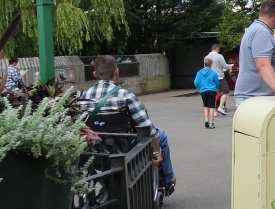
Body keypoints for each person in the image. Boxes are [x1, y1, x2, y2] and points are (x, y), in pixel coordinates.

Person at [79, 55, 176, 195]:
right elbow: (147, 127)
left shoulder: (82, 96)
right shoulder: (125, 95)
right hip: (123, 148)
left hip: (94, 151)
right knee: (161, 134)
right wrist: (156, 151)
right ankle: (169, 178)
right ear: (117, 72)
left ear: (95, 74)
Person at [234, 0, 275, 106]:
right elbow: (263, 65)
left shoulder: (257, 29)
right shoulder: (261, 32)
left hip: (258, 98)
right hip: (257, 99)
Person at [194, 57, 220, 128]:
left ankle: (206, 120)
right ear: (211, 64)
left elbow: (196, 82)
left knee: (205, 106)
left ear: (204, 64)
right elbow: (216, 82)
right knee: (212, 107)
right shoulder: (213, 73)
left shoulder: (199, 73)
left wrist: (199, 88)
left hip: (203, 91)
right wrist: (216, 88)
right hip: (212, 91)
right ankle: (211, 123)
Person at [207, 43, 233, 115]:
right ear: (217, 49)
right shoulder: (219, 56)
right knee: (224, 92)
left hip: (210, 78)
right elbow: (225, 66)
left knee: (213, 94)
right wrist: (229, 67)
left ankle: (214, 111)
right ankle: (220, 107)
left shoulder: (206, 57)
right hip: (219, 77)